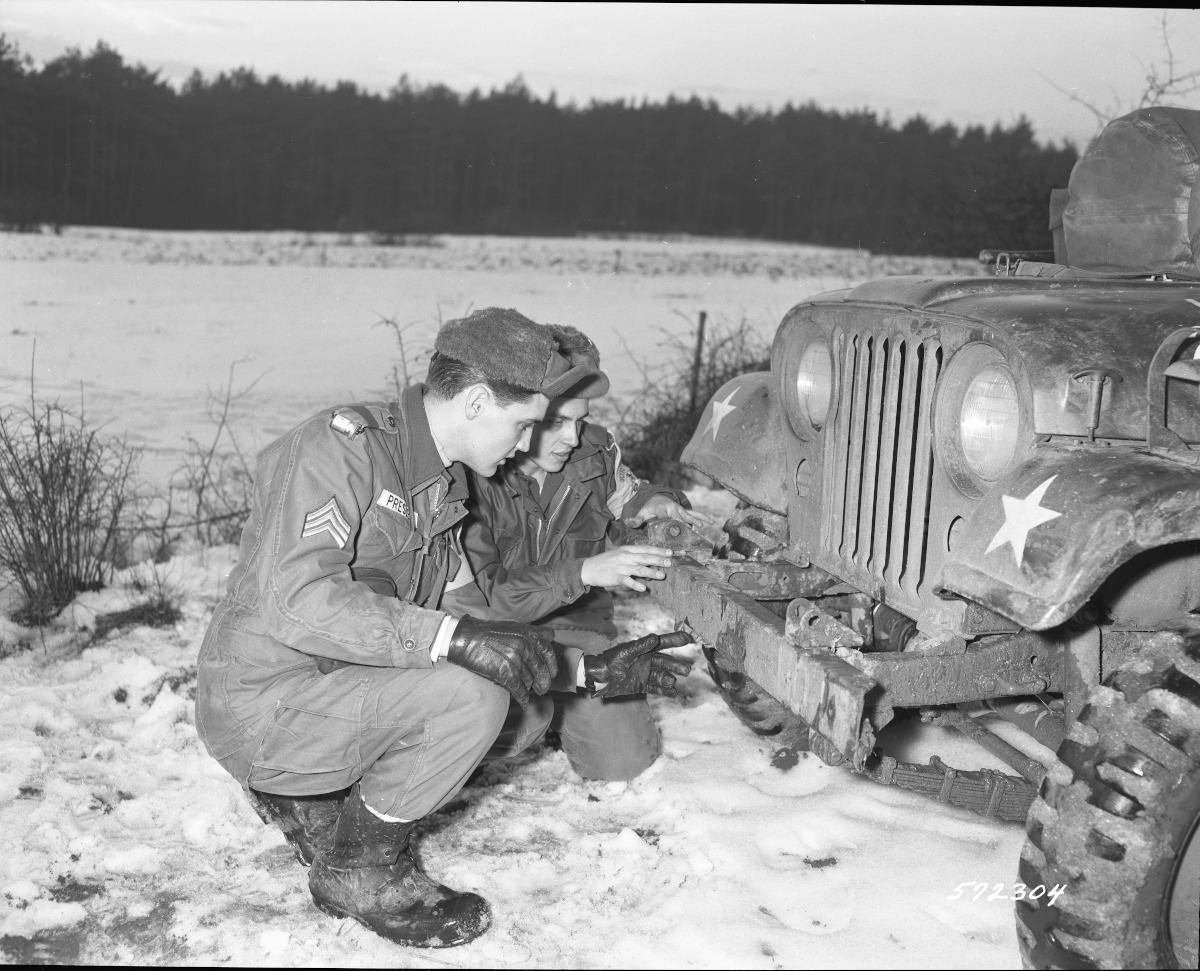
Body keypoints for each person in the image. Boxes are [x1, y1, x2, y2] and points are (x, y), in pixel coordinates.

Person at [195, 308, 612, 949]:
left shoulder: (442, 489)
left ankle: (319, 801)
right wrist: (449, 641)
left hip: (335, 693)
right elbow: (297, 599)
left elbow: (479, 619)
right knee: (472, 698)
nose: (529, 445)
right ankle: (357, 869)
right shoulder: (337, 449)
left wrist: (585, 671)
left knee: (521, 711)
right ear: (476, 402)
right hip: (264, 702)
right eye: (524, 425)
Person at [445, 324, 702, 783]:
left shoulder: (593, 450)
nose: (572, 437)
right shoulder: (468, 472)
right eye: (557, 422)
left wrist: (658, 505)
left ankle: (568, 711)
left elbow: (629, 497)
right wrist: (587, 570)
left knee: (626, 766)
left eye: (581, 420)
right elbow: (483, 600)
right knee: (509, 722)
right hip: (499, 637)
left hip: (579, 634)